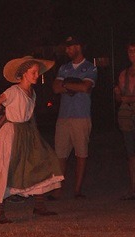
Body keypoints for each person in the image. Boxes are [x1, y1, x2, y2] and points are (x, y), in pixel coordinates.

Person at [0, 56, 64, 223]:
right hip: (12, 133)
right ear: (24, 74)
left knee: (41, 161)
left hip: (27, 132)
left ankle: (39, 205)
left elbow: (31, 117)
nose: (37, 75)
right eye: (33, 72)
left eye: (37, 72)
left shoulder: (33, 93)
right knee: (7, 168)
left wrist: (36, 136)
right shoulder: (13, 91)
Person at [52, 36, 98, 199]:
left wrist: (66, 85)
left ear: (78, 47)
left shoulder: (90, 67)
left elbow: (85, 87)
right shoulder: (64, 68)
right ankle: (58, 189)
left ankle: (77, 189)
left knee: (81, 153)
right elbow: (56, 88)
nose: (67, 50)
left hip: (81, 115)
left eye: (70, 47)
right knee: (60, 154)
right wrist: (72, 86)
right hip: (64, 116)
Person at [114, 41, 135, 200]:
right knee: (131, 154)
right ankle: (133, 189)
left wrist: (129, 98)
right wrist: (117, 94)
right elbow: (119, 98)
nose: (132, 54)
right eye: (130, 51)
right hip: (127, 117)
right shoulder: (124, 74)